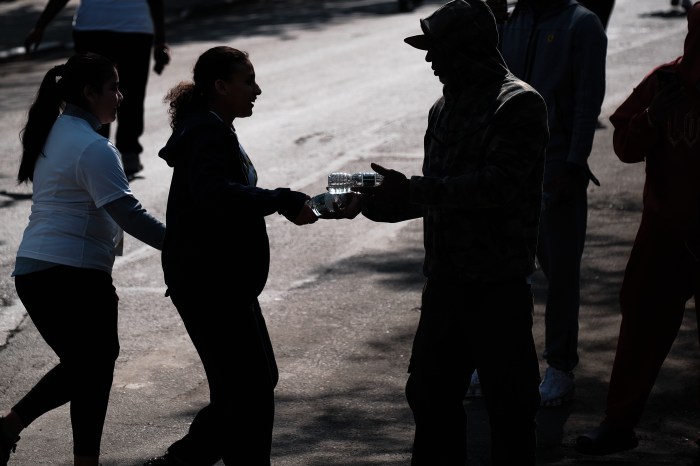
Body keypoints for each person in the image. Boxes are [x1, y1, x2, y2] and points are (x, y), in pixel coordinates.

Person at [353, 1, 549, 464]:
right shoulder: (443, 108)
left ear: (468, 50)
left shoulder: (518, 103)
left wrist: (414, 192)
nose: (430, 60)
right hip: (445, 284)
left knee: (511, 411)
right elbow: (441, 195)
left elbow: (497, 187)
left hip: (496, 288)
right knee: (429, 398)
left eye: (437, 49)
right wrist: (385, 205)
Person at [142, 46, 319, 466]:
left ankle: (184, 461)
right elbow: (212, 193)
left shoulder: (211, 126)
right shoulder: (206, 131)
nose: (257, 89)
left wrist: (285, 202)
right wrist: (279, 199)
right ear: (220, 87)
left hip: (220, 281)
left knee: (246, 384)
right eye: (248, 81)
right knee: (250, 387)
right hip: (209, 283)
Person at [0, 52, 166, 466]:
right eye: (113, 88)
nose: (120, 97)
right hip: (69, 275)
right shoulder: (93, 147)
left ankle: (57, 448)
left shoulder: (55, 132)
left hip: (37, 272)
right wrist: (186, 245)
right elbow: (129, 214)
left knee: (88, 366)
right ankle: (15, 429)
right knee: (92, 365)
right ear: (90, 93)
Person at [575, 1, 700, 455]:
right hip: (664, 231)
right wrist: (653, 119)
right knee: (642, 327)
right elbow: (625, 147)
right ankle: (618, 422)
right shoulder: (666, 81)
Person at [491, 0, 607, 407]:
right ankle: (496, 362)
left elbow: (587, 99)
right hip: (508, 168)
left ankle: (559, 367)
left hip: (557, 167)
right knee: (502, 270)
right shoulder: (511, 20)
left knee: (560, 275)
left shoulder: (582, 24)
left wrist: (574, 163)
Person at [25, 0, 171, 180]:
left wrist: (40, 26)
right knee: (131, 93)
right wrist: (160, 41)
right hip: (134, 28)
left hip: (93, 27)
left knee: (91, 96)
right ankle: (127, 152)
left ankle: (93, 148)